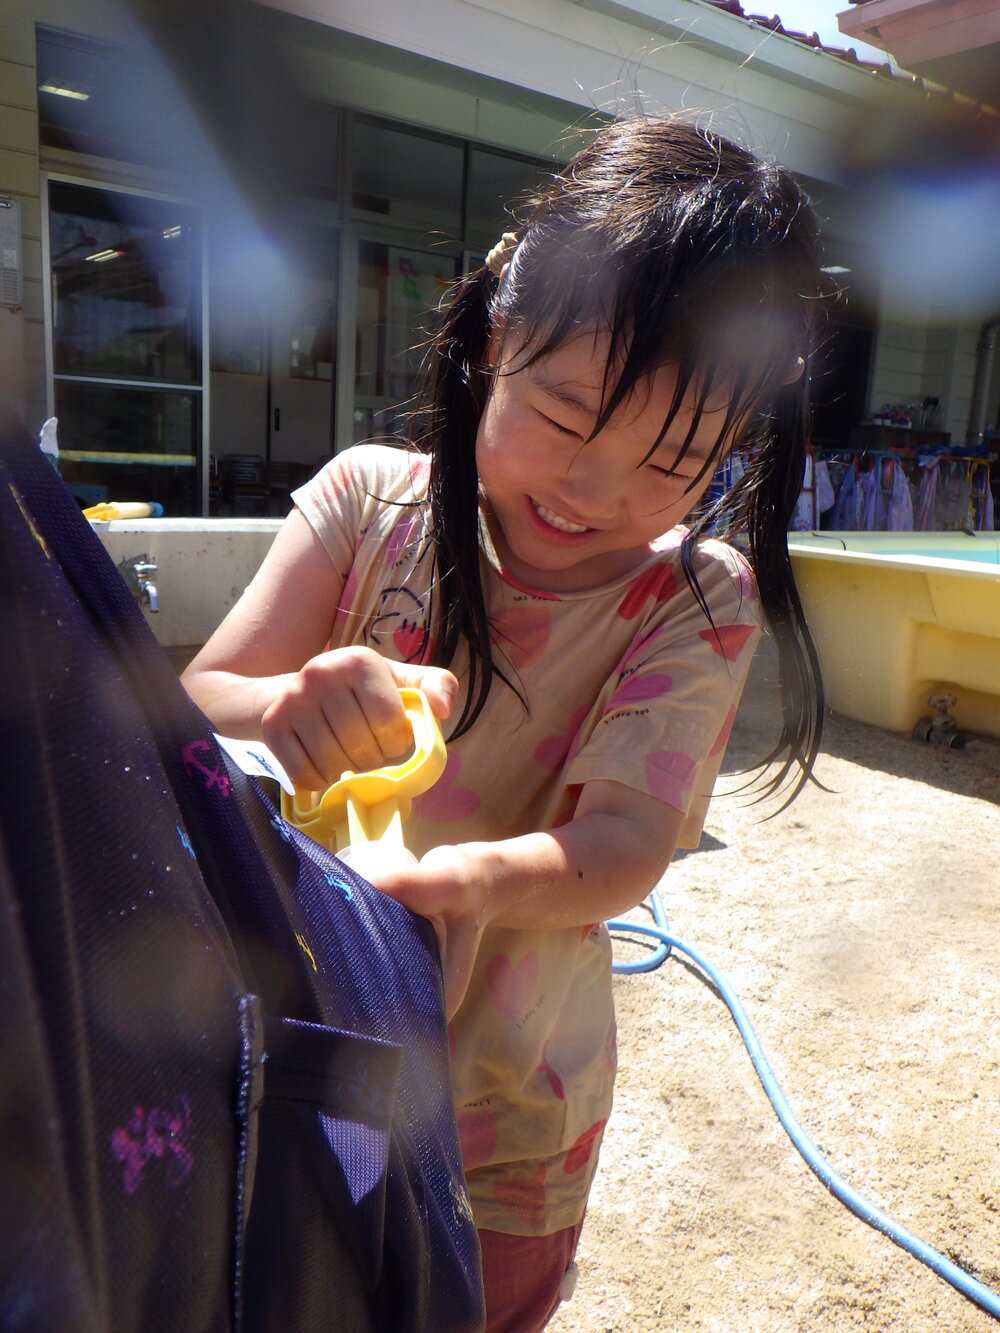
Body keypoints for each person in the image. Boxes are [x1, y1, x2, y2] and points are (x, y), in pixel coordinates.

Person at [182, 113, 825, 1331]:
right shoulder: (367, 502)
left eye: (673, 458)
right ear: (493, 341)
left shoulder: (692, 601)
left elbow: (625, 842)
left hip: (507, 1110)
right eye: (569, 414)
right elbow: (195, 710)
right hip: (302, 1042)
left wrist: (467, 884)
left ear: (734, 454)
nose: (594, 491)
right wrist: (284, 703)